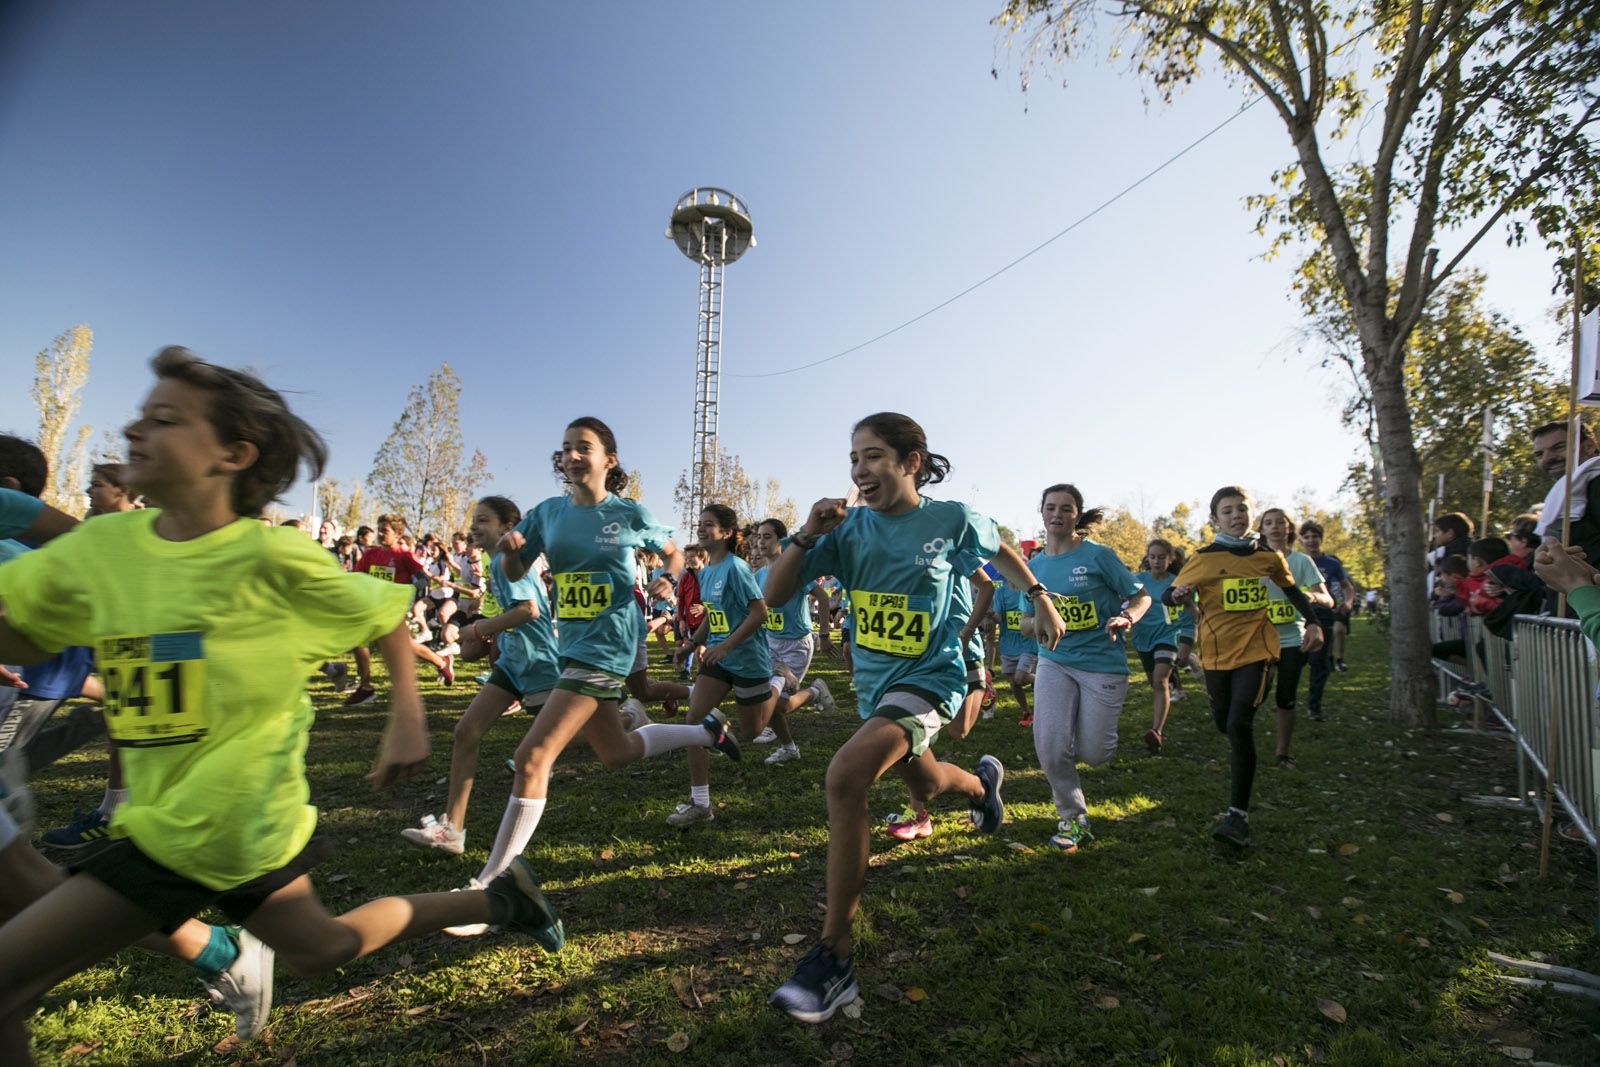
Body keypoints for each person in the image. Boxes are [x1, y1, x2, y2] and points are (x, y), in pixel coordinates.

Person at [0, 348, 563, 1062]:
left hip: (208, 829)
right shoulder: (106, 545)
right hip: (206, 822)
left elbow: (384, 613)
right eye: (141, 414)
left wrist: (406, 716)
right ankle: (500, 900)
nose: (135, 429)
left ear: (232, 455)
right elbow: (21, 627)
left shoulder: (272, 559)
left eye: (165, 419)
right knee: (321, 947)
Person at [761, 412, 1065, 1023]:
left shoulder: (949, 519)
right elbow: (772, 596)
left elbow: (1000, 547)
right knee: (925, 782)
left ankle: (834, 959)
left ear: (910, 462)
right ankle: (982, 786)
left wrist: (1037, 594)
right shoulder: (846, 535)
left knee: (846, 776)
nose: (859, 470)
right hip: (876, 689)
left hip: (932, 679)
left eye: (872, 456)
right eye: (853, 458)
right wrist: (804, 532)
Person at [445, 417, 740, 933]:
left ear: (610, 459)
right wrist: (513, 555)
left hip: (609, 645)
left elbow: (672, 553)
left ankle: (491, 888)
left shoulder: (627, 513)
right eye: (565, 449)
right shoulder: (548, 514)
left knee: (533, 757)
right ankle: (706, 730)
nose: (572, 456)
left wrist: (665, 586)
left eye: (584, 447)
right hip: (571, 645)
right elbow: (517, 573)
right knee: (615, 752)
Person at [1164, 487, 1323, 849]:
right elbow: (1168, 593)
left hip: (1259, 650)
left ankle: (1238, 816)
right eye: (1228, 511)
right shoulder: (1203, 558)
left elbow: (1294, 591)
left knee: (1239, 724)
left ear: (1251, 514)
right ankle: (1231, 730)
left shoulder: (1268, 557)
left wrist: (1313, 622)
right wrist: (1177, 595)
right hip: (1217, 655)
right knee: (1224, 721)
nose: (1236, 515)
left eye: (1242, 509)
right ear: (1215, 519)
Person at [400, 496, 559, 855]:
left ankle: (627, 719)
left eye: (483, 520)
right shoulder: (493, 563)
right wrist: (494, 636)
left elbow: (529, 611)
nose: (474, 527)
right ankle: (453, 829)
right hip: (513, 664)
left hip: (539, 665)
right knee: (466, 731)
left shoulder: (505, 561)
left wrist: (481, 629)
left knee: (593, 742)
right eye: (474, 520)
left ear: (507, 528)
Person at [1019, 484, 1150, 853]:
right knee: (1049, 746)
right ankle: (1073, 817)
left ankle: (1072, 738)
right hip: (1055, 661)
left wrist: (1127, 618)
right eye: (1051, 507)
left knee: (1095, 755)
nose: (1057, 514)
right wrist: (1045, 619)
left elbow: (1141, 596)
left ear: (1077, 515)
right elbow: (1024, 623)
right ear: (1041, 512)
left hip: (1102, 664)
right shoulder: (1034, 568)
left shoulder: (1098, 557)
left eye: (1066, 508)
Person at [666, 505, 774, 825]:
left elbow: (760, 613)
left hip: (747, 659)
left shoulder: (736, 568)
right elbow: (714, 618)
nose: (701, 529)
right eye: (700, 524)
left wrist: (728, 645)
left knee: (753, 731)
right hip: (717, 658)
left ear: (726, 533)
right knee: (694, 719)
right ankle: (701, 803)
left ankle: (782, 685)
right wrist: (691, 645)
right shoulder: (707, 570)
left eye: (709, 525)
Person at [342, 513, 456, 706]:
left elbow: (422, 579)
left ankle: (441, 662)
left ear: (397, 534)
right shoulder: (371, 554)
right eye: (378, 529)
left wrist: (408, 589)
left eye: (384, 531)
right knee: (361, 640)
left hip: (393, 609)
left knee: (403, 646)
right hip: (372, 607)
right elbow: (356, 576)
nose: (379, 534)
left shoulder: (403, 556)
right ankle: (366, 687)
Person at [750, 518, 835, 767]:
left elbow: (821, 595)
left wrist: (825, 634)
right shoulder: (759, 575)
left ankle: (815, 691)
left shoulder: (793, 568)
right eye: (759, 537)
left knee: (781, 705)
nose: (761, 542)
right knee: (768, 698)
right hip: (769, 642)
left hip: (796, 644)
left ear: (780, 541)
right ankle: (789, 748)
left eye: (767, 537)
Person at [1256, 508, 1333, 770]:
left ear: (1289, 528)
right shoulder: (1253, 561)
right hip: (1258, 639)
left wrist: (1309, 597)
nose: (1275, 527)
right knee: (1256, 693)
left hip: (1293, 640)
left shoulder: (1301, 561)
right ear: (1262, 529)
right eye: (1269, 523)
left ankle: (1282, 752)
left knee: (1285, 698)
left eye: (1281, 522)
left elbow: (1328, 599)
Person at [1129, 539, 1184, 754]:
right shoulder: (1137, 581)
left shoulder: (1177, 582)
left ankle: (1156, 730)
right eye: (1153, 557)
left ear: (1170, 559)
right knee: (1154, 682)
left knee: (1160, 680)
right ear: (1147, 558)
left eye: (1161, 557)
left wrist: (1187, 638)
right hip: (1143, 638)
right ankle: (1167, 697)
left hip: (1168, 636)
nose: (1157, 561)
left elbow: (1188, 608)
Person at [1297, 521, 1350, 719]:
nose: (1311, 540)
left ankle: (1314, 705)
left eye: (1315, 536)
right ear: (1301, 540)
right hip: (1298, 615)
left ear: (1321, 539)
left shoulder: (1332, 564)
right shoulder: (1294, 561)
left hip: (1323, 614)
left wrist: (1349, 601)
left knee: (1318, 662)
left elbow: (1347, 586)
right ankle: (1287, 702)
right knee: (1296, 659)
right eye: (1307, 537)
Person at [988, 576, 1036, 727]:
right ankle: (1026, 712)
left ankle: (1045, 681)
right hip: (1008, 644)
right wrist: (989, 614)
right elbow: (999, 619)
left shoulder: (1027, 591)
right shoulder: (1001, 592)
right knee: (1014, 683)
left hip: (1028, 642)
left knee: (1020, 678)